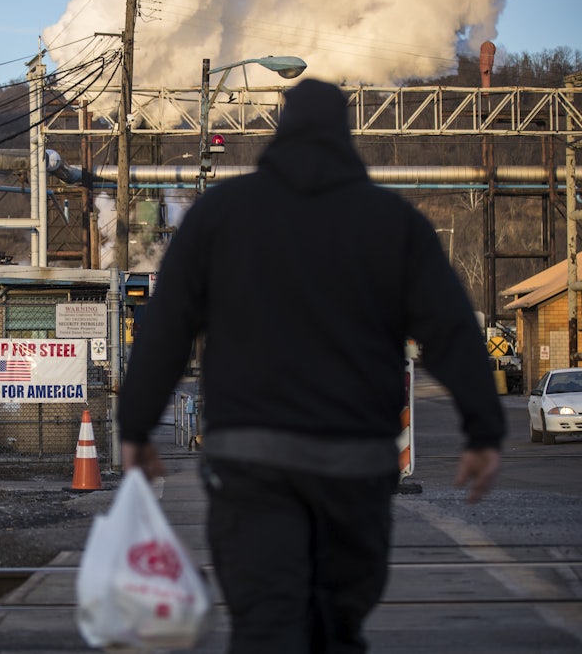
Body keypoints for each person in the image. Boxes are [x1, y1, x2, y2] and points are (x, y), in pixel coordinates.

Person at [117, 79, 505, 653]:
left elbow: (167, 328)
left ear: (282, 129)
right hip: (356, 460)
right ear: (345, 133)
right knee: (337, 624)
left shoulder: (221, 214)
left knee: (266, 622)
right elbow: (451, 331)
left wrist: (136, 428)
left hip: (248, 459)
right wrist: (484, 430)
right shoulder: (393, 222)